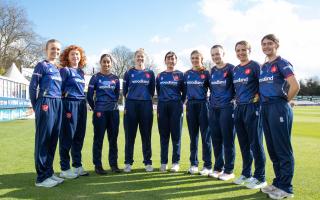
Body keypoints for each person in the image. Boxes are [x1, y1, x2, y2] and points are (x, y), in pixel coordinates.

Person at [259, 34, 300, 199]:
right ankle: (278, 183)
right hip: (266, 108)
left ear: (276, 45)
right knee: (273, 148)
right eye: (264, 44)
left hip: (278, 107)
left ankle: (286, 188)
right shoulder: (263, 66)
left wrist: (284, 102)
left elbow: (295, 86)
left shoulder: (282, 63)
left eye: (270, 43)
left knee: (282, 148)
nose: (266, 47)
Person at [29, 39, 64, 187]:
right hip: (46, 102)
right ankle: (41, 178)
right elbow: (32, 87)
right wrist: (37, 105)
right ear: (46, 49)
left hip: (58, 102)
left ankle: (49, 172)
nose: (55, 51)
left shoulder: (57, 68)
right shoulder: (41, 66)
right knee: (43, 139)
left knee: (53, 139)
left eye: (57, 49)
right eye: (52, 49)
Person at [232, 40, 267, 189]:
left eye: (243, 50)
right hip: (239, 108)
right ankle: (247, 173)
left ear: (249, 50)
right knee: (244, 143)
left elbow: (264, 85)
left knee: (256, 143)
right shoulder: (235, 69)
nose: (241, 53)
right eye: (238, 50)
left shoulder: (255, 66)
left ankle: (260, 177)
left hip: (253, 108)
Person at [87, 54, 121, 175]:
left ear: (111, 63)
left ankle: (114, 165)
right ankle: (98, 165)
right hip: (100, 112)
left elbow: (117, 95)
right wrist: (96, 108)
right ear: (100, 63)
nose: (106, 64)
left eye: (108, 62)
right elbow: (89, 96)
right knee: (98, 139)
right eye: (104, 62)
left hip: (113, 112)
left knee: (113, 139)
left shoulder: (115, 78)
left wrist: (111, 104)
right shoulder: (95, 78)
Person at [123, 48, 155, 172]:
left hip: (146, 105)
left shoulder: (150, 73)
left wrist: (145, 99)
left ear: (145, 58)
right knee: (130, 136)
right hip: (131, 105)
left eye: (142, 57)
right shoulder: (128, 73)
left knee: (146, 135)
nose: (140, 59)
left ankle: (147, 162)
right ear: (134, 58)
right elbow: (125, 91)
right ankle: (128, 163)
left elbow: (152, 90)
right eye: (138, 56)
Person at [59, 45, 88, 178]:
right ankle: (65, 168)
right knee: (67, 136)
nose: (75, 57)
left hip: (82, 104)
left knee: (79, 136)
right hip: (69, 104)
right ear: (67, 57)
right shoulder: (65, 70)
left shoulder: (81, 72)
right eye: (72, 54)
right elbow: (59, 89)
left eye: (77, 54)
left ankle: (77, 165)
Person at [208, 45, 236, 181]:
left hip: (227, 108)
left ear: (223, 53)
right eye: (213, 55)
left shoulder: (231, 69)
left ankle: (229, 170)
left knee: (228, 139)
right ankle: (218, 168)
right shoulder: (212, 70)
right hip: (213, 108)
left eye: (217, 54)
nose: (215, 57)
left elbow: (238, 88)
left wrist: (232, 101)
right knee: (216, 139)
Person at [156, 51, 185, 172]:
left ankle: (175, 162)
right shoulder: (160, 75)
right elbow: (158, 89)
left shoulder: (180, 75)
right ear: (165, 60)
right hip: (162, 106)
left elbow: (185, 92)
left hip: (176, 106)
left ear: (176, 61)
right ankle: (163, 162)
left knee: (176, 136)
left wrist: (179, 103)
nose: (170, 61)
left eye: (173, 59)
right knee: (164, 135)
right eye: (168, 58)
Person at [184, 50, 212, 175]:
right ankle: (194, 164)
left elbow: (214, 90)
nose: (195, 60)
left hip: (203, 105)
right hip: (190, 106)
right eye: (193, 58)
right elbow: (183, 91)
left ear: (202, 59)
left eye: (197, 58)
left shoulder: (206, 73)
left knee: (205, 137)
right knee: (193, 137)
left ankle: (207, 165)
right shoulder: (187, 74)